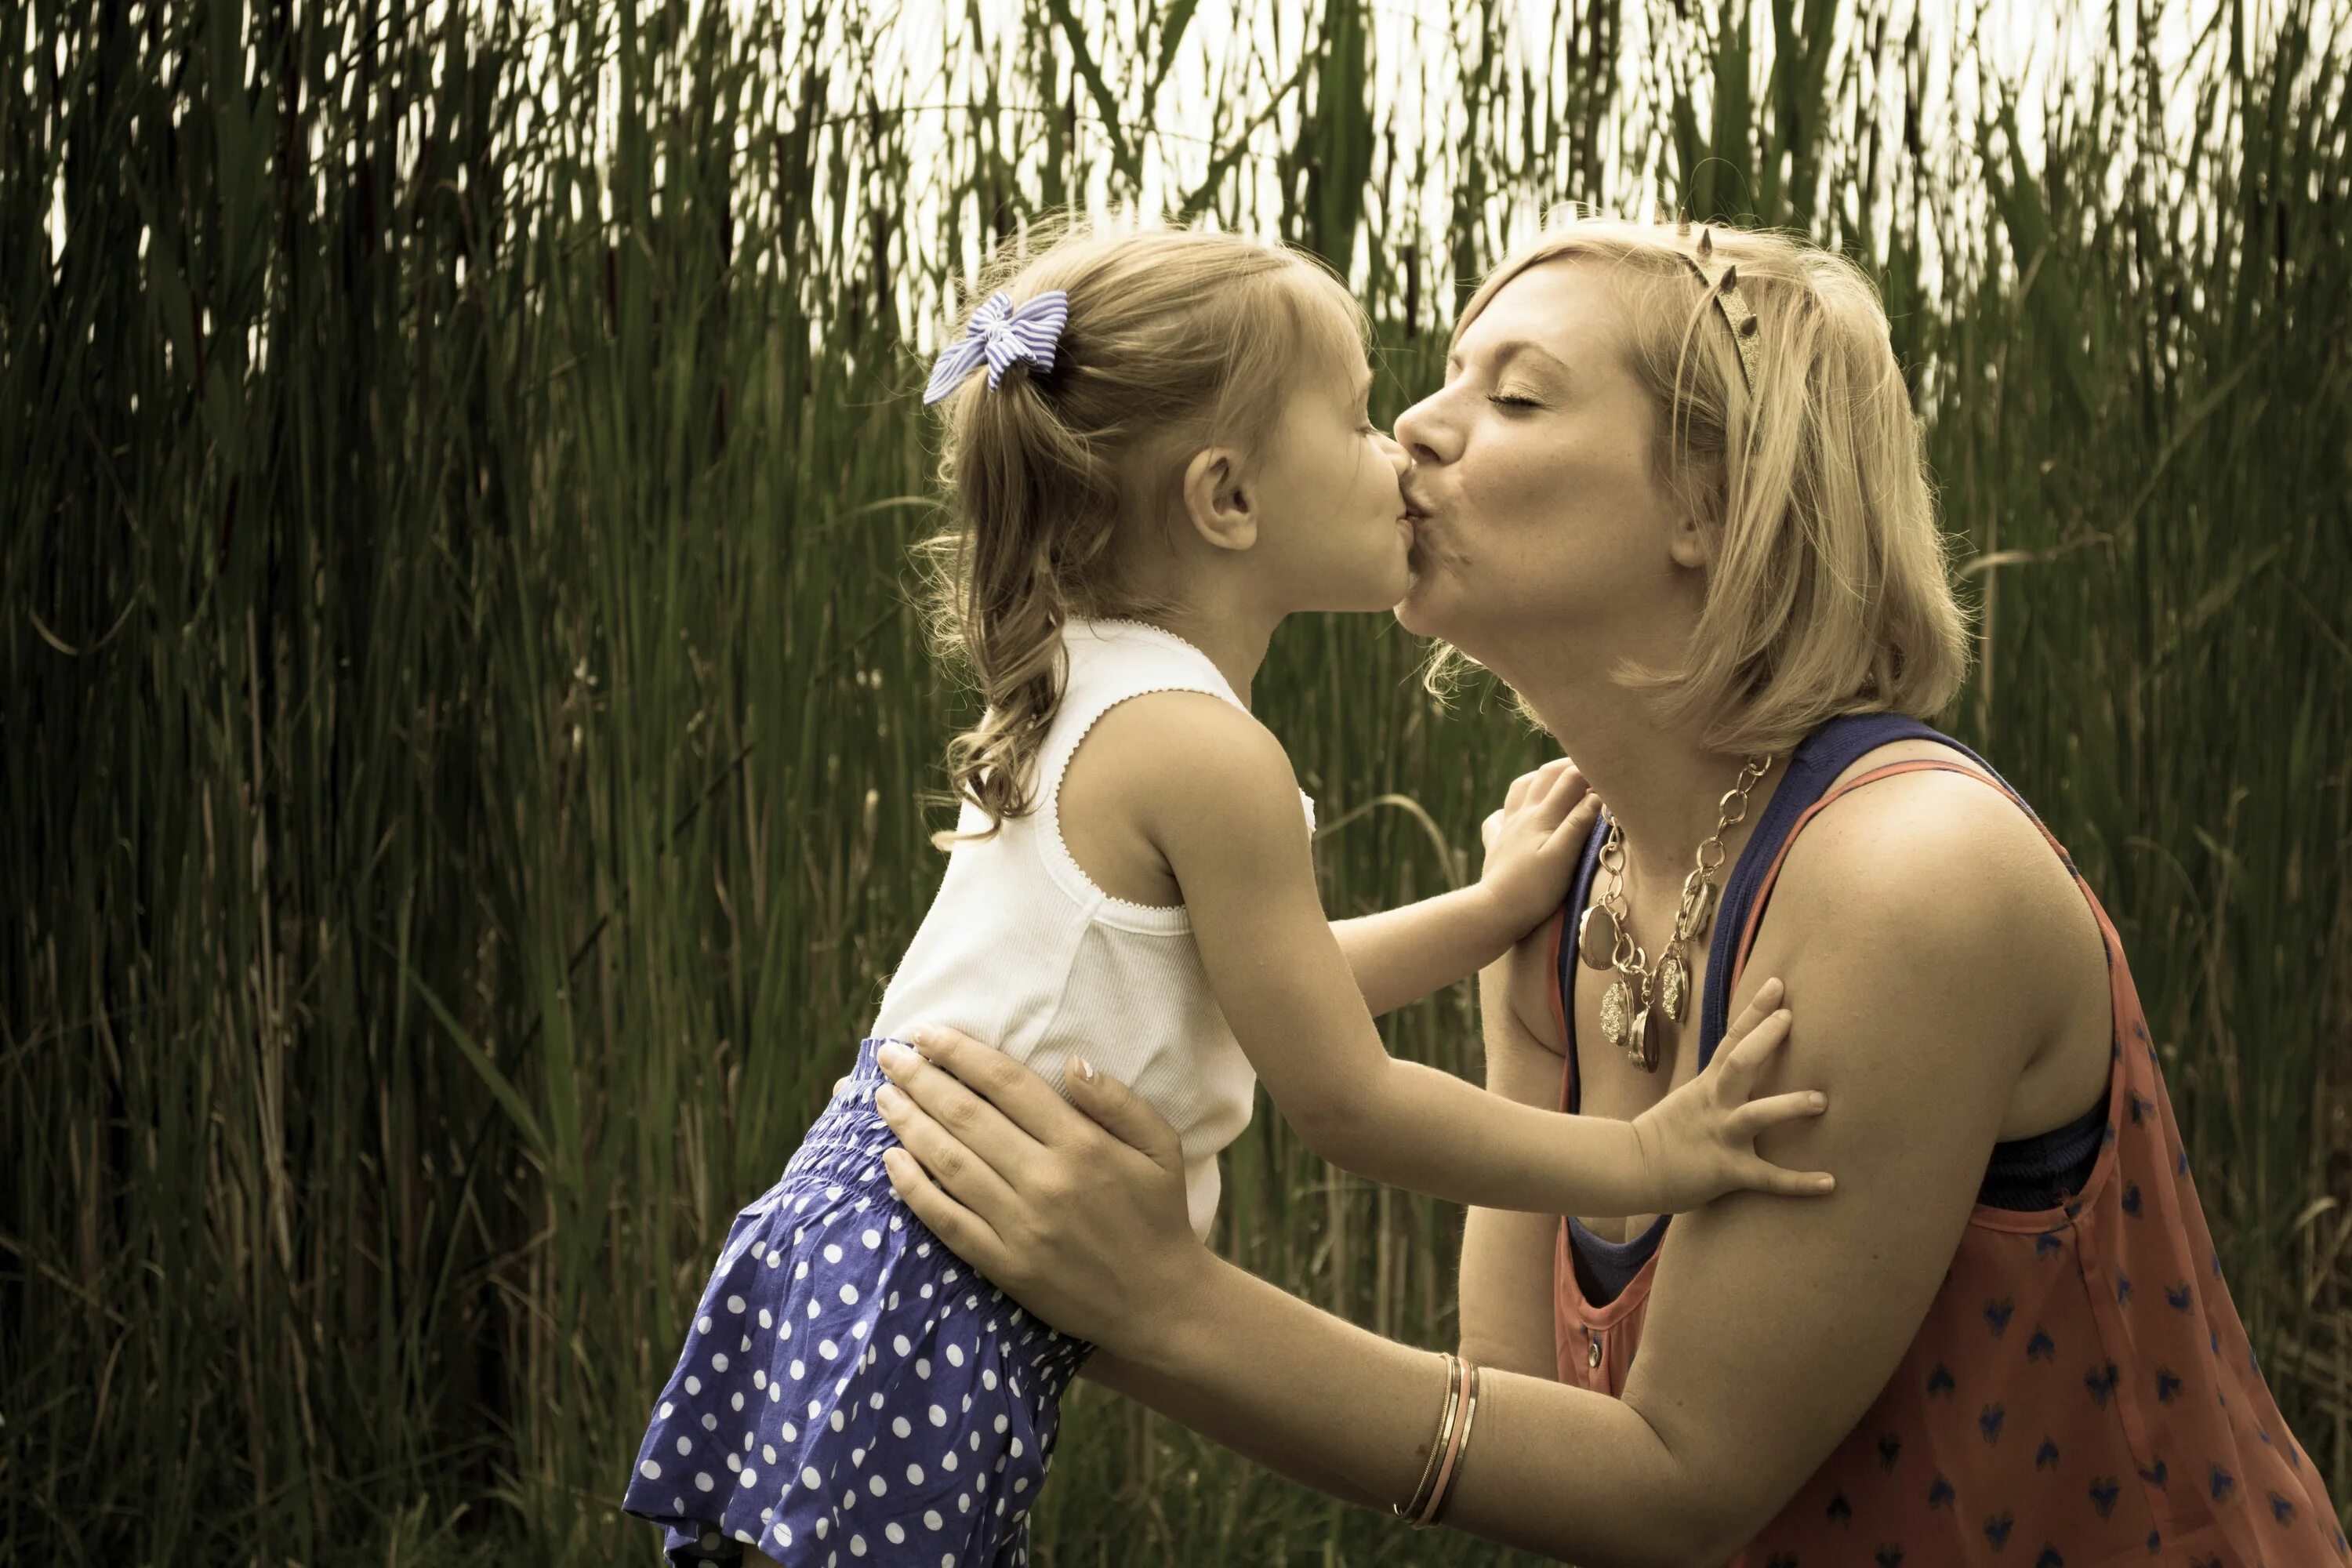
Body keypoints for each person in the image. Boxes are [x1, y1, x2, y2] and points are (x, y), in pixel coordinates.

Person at [871, 215, 2349, 1566]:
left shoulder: (1911, 877)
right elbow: (1533, 1435)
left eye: (1512, 397)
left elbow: (1680, 1491)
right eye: (1439, 380)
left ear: (1711, 502)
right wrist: (1524, 1030)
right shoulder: (1590, 877)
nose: (1413, 434)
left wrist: (1159, 1308)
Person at [619, 220, 1838, 1568]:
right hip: (938, 1282)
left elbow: (1251, 984)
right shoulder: (1208, 750)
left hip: (872, 1241)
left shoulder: (1095, 689)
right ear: (1229, 501)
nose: (1404, 448)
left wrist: (1487, 914)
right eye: (1364, 418)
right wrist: (1645, 1158)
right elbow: (1344, 1099)